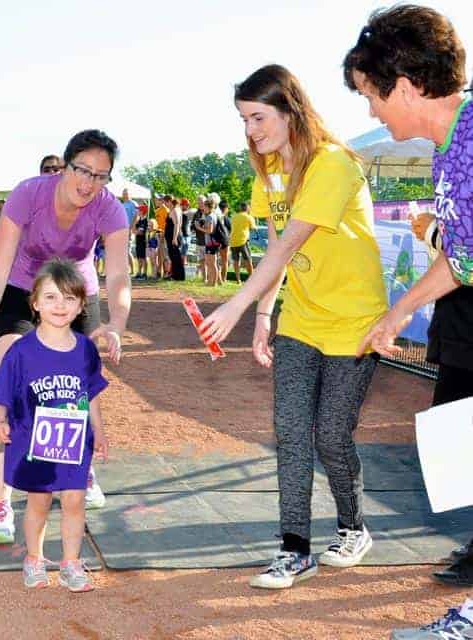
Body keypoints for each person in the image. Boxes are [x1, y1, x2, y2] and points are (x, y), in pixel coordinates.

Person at [199, 64, 387, 590]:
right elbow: (277, 246)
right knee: (290, 431)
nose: (250, 130)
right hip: (301, 319)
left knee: (330, 433)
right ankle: (294, 549)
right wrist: (264, 316)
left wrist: (237, 304)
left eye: (258, 117)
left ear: (290, 111)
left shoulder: (332, 163)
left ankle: (353, 526)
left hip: (354, 320)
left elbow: (291, 241)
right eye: (243, 119)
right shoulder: (269, 170)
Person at [343, 6, 473, 637]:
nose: (372, 112)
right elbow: (463, 255)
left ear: (405, 85)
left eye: (372, 95)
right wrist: (398, 312)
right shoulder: (450, 147)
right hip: (462, 324)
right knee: (456, 456)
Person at [0, 129, 131, 544]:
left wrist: (117, 323)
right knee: (10, 390)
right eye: (82, 170)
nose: (88, 183)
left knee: (73, 389)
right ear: (65, 165)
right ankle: (0, 506)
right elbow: (0, 266)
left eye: (100, 176)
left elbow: (117, 274)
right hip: (22, 290)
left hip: (76, 294)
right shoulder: (29, 195)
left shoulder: (110, 211)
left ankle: (80, 468)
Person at [0, 259, 109, 592]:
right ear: (35, 302)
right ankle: (35, 559)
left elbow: (92, 393)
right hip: (35, 444)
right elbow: (1, 393)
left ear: (82, 305)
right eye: (51, 297)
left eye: (69, 298)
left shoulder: (85, 349)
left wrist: (99, 430)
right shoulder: (21, 351)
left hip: (74, 443)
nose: (60, 305)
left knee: (74, 501)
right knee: (39, 502)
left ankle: (70, 562)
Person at [229, 202, 257, 283]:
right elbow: (254, 228)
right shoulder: (249, 217)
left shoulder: (234, 217)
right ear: (248, 208)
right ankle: (252, 279)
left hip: (233, 241)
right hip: (243, 241)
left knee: (236, 261)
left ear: (240, 208)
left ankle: (238, 280)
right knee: (248, 260)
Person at [196, 198, 219, 286]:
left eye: (204, 206)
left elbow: (210, 230)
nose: (203, 208)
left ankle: (213, 283)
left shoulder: (210, 216)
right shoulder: (213, 215)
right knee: (210, 263)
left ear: (208, 207)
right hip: (212, 242)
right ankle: (211, 282)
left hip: (211, 243)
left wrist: (199, 228)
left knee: (212, 263)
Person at [165, 198, 185, 281]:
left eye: (166, 202)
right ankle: (175, 275)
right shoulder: (177, 210)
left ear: (170, 202)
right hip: (172, 236)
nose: (166, 204)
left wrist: (174, 238)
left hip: (173, 237)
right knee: (174, 256)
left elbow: (177, 224)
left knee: (175, 257)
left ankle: (178, 276)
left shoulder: (175, 210)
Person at [215, 200, 232, 284]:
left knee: (216, 261)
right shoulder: (226, 218)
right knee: (224, 261)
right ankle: (223, 279)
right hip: (225, 241)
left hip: (216, 241)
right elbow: (230, 230)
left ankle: (218, 278)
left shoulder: (216, 216)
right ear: (225, 208)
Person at [133, 204, 149, 279]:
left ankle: (144, 273)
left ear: (142, 211)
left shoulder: (146, 221)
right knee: (139, 257)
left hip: (143, 241)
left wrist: (136, 231)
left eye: (139, 210)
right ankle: (139, 272)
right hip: (138, 241)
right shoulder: (139, 220)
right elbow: (134, 230)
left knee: (143, 258)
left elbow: (141, 232)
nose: (137, 211)